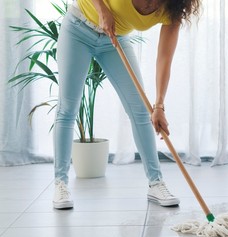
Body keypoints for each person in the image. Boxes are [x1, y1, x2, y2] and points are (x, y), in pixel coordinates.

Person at [53, 0, 201, 209]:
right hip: (78, 29)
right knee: (67, 110)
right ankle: (60, 184)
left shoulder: (173, 8)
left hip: (115, 40)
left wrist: (159, 105)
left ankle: (156, 183)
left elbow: (164, 58)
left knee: (141, 110)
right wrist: (102, 9)